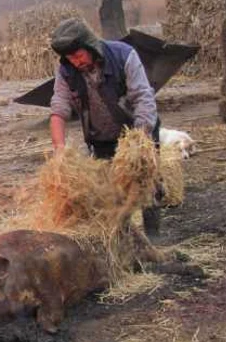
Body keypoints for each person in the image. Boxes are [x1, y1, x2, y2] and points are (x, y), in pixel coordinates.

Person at [49, 18, 162, 235]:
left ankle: (153, 237)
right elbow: (59, 107)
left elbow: (143, 98)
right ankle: (122, 238)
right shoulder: (66, 70)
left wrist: (138, 142)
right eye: (70, 58)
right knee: (110, 193)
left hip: (137, 132)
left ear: (91, 46)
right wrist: (59, 152)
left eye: (79, 55)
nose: (76, 62)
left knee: (148, 184)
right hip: (101, 137)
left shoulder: (123, 55)